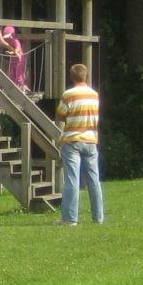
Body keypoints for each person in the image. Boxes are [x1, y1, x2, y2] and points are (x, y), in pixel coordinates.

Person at [55, 63, 104, 226]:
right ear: (86, 76)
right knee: (93, 179)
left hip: (72, 139)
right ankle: (98, 217)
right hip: (91, 139)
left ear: (71, 77)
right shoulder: (94, 95)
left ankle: (70, 218)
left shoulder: (68, 94)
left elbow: (61, 115)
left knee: (72, 179)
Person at [3, 25, 27, 91]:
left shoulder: (15, 40)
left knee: (19, 75)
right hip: (13, 61)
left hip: (20, 60)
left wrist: (12, 52)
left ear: (12, 35)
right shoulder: (9, 42)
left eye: (8, 36)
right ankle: (14, 89)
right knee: (11, 74)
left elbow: (18, 48)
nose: (7, 39)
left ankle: (22, 89)